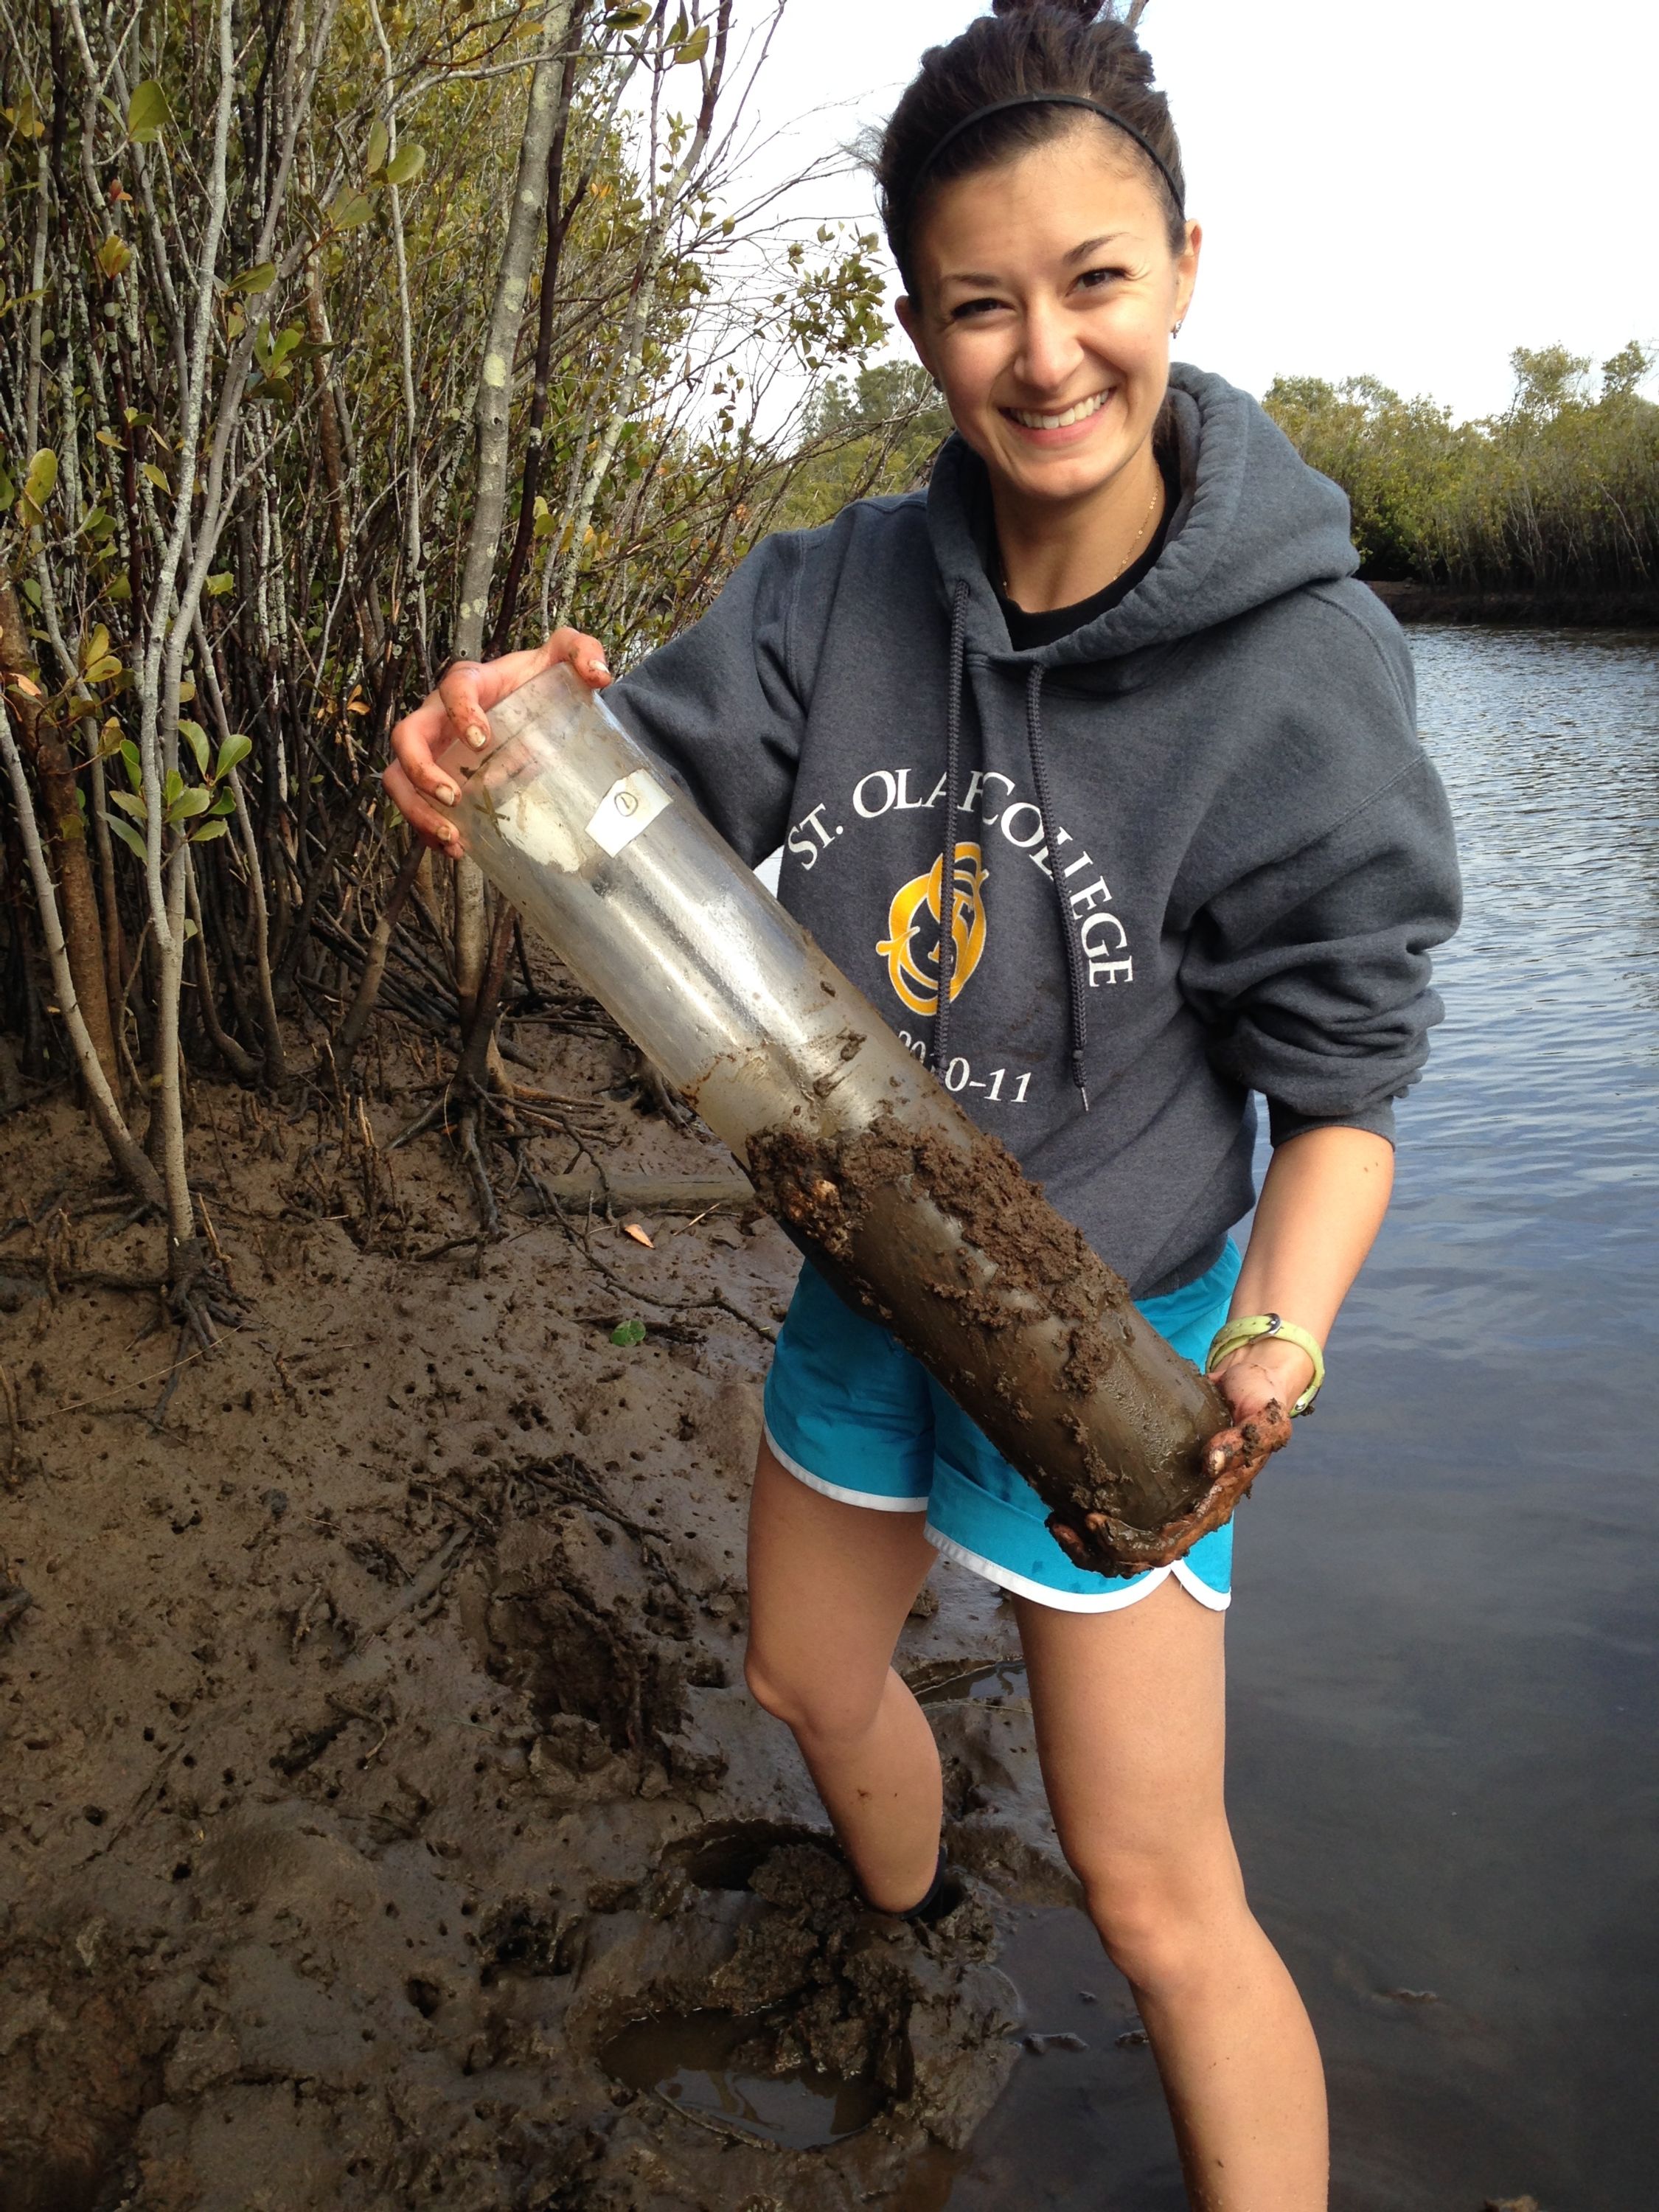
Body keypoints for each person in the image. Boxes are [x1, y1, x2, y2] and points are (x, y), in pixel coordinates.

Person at [387, 2, 1461, 2201]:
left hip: (1127, 1344)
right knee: (798, 1678)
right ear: (919, 327)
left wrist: (1280, 1332)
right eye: (981, 304)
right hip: (868, 1269)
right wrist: (500, 735)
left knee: (1158, 1899)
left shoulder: (1300, 666)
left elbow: (1343, 1085)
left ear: (1180, 264)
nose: (1044, 353)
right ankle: (896, 1922)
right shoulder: (838, 585)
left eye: (1094, 281)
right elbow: (630, 801)